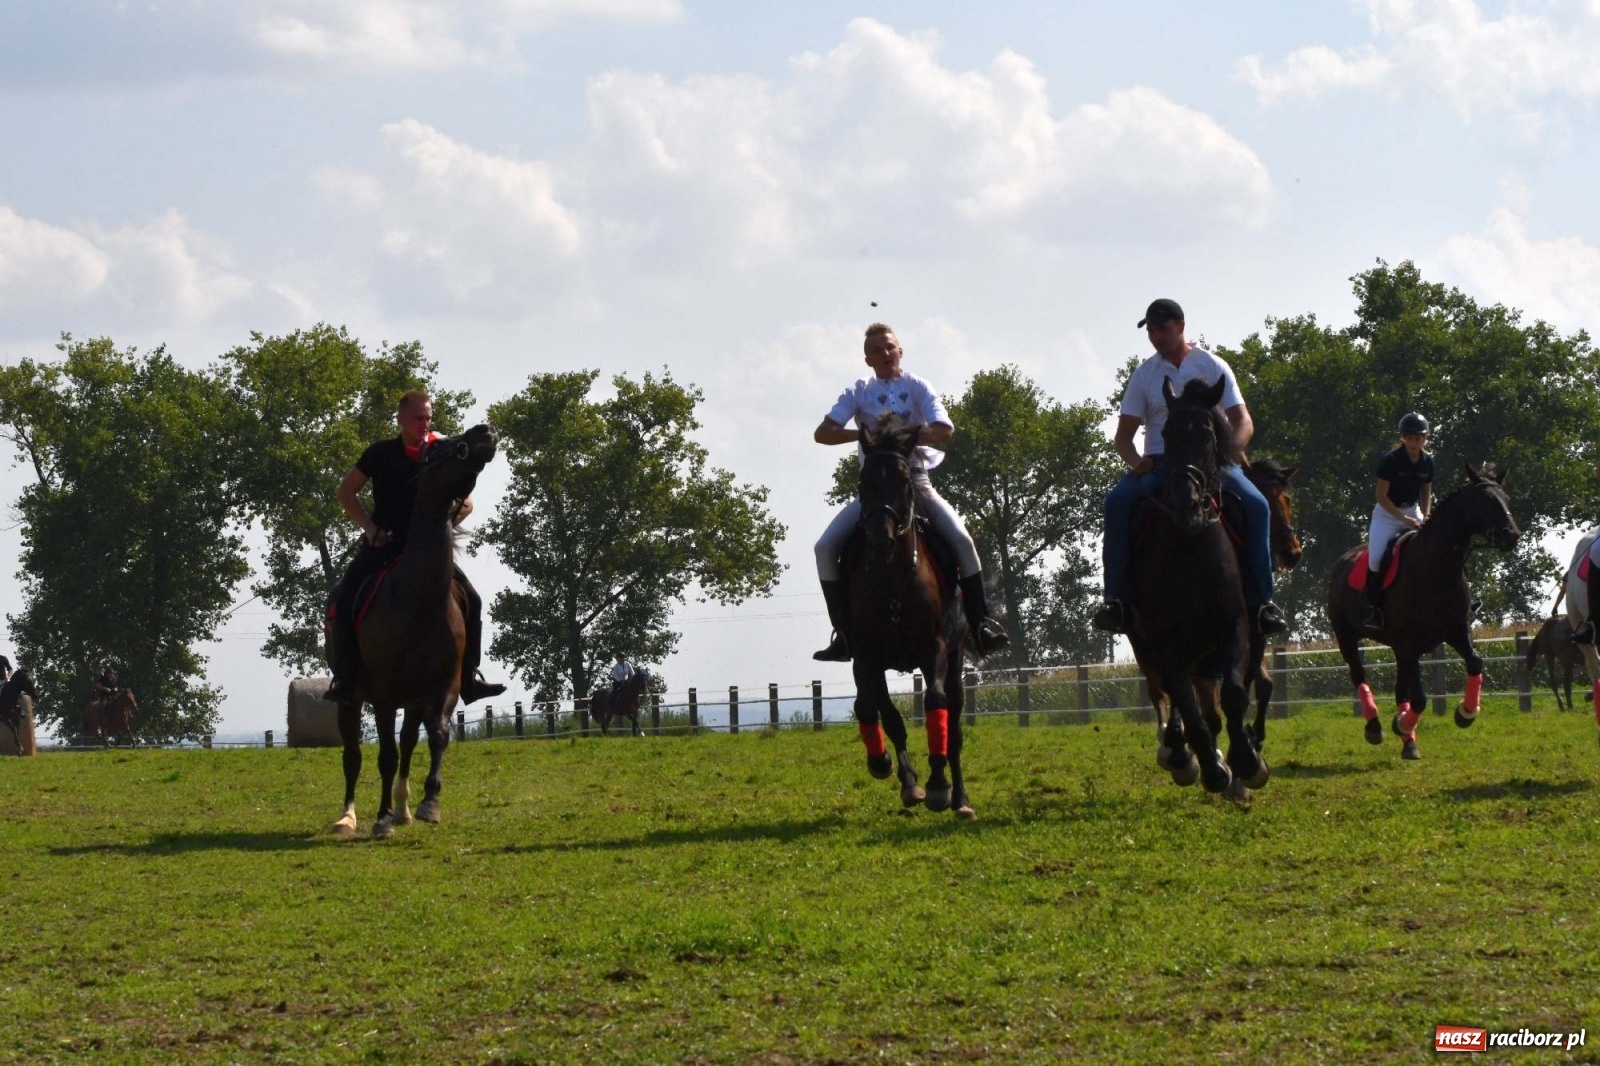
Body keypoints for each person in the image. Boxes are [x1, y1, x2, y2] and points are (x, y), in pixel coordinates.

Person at [811, 323, 1010, 661]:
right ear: (867, 359)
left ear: (900, 351)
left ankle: (981, 624)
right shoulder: (858, 391)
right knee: (824, 547)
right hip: (873, 489)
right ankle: (843, 635)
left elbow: (945, 430)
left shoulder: (918, 386)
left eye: (890, 347)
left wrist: (906, 435)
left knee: (962, 540)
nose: (885, 354)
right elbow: (823, 433)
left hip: (915, 481)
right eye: (877, 350)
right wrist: (859, 436)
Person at [1093, 298, 1288, 638]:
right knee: (1116, 503)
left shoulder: (1213, 366)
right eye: (1150, 330)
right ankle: (1117, 601)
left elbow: (1243, 421)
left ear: (1181, 327)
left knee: (1257, 506)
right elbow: (1123, 437)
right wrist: (1137, 462)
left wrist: (1228, 452)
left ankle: (1262, 603)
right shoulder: (1145, 375)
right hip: (1160, 464)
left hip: (1212, 464)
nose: (1156, 336)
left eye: (1162, 329)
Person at [324, 390, 506, 704]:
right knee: (342, 598)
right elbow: (345, 493)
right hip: (383, 547)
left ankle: (469, 679)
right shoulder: (379, 453)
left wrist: (440, 524)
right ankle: (345, 677)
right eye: (418, 418)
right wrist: (370, 529)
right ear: (401, 419)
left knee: (473, 600)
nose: (424, 423)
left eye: (428, 418)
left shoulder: (440, 450)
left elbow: (468, 503)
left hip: (427, 554)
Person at [1363, 413, 1434, 630]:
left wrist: (1427, 516)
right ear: (1403, 438)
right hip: (1387, 515)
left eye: (1419, 437)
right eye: (1410, 438)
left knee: (1439, 546)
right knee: (1375, 558)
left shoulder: (1427, 462)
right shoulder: (1390, 461)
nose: (1414, 442)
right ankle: (1374, 608)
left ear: (1426, 438)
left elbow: (1425, 493)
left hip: (1413, 511)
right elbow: (1381, 497)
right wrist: (1404, 519)